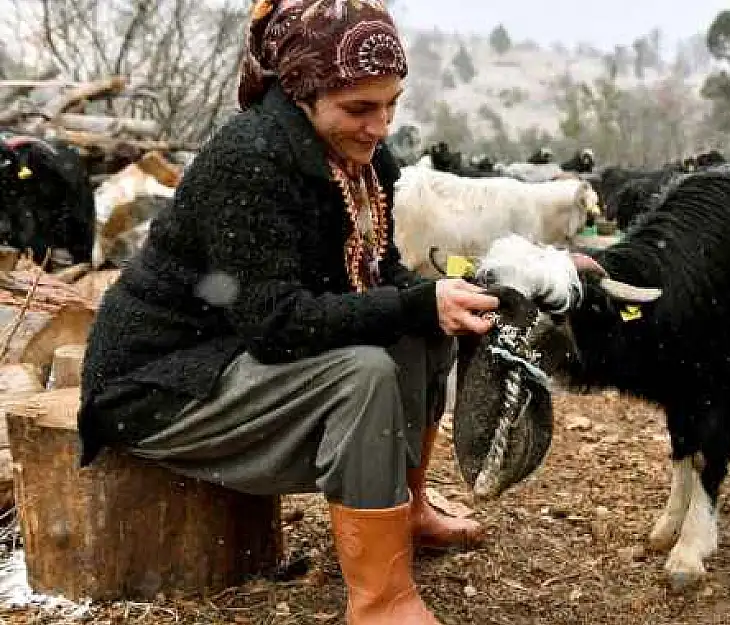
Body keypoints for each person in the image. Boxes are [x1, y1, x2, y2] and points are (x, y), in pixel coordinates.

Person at [76, 1, 499, 622]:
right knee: (362, 374)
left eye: (391, 104)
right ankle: (381, 601)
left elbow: (382, 277)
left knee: (425, 330)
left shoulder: (359, 159)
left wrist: (445, 299)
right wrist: (413, 302)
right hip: (161, 381)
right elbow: (275, 324)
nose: (380, 125)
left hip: (231, 354)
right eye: (359, 108)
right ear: (303, 91)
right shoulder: (250, 158)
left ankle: (405, 509)